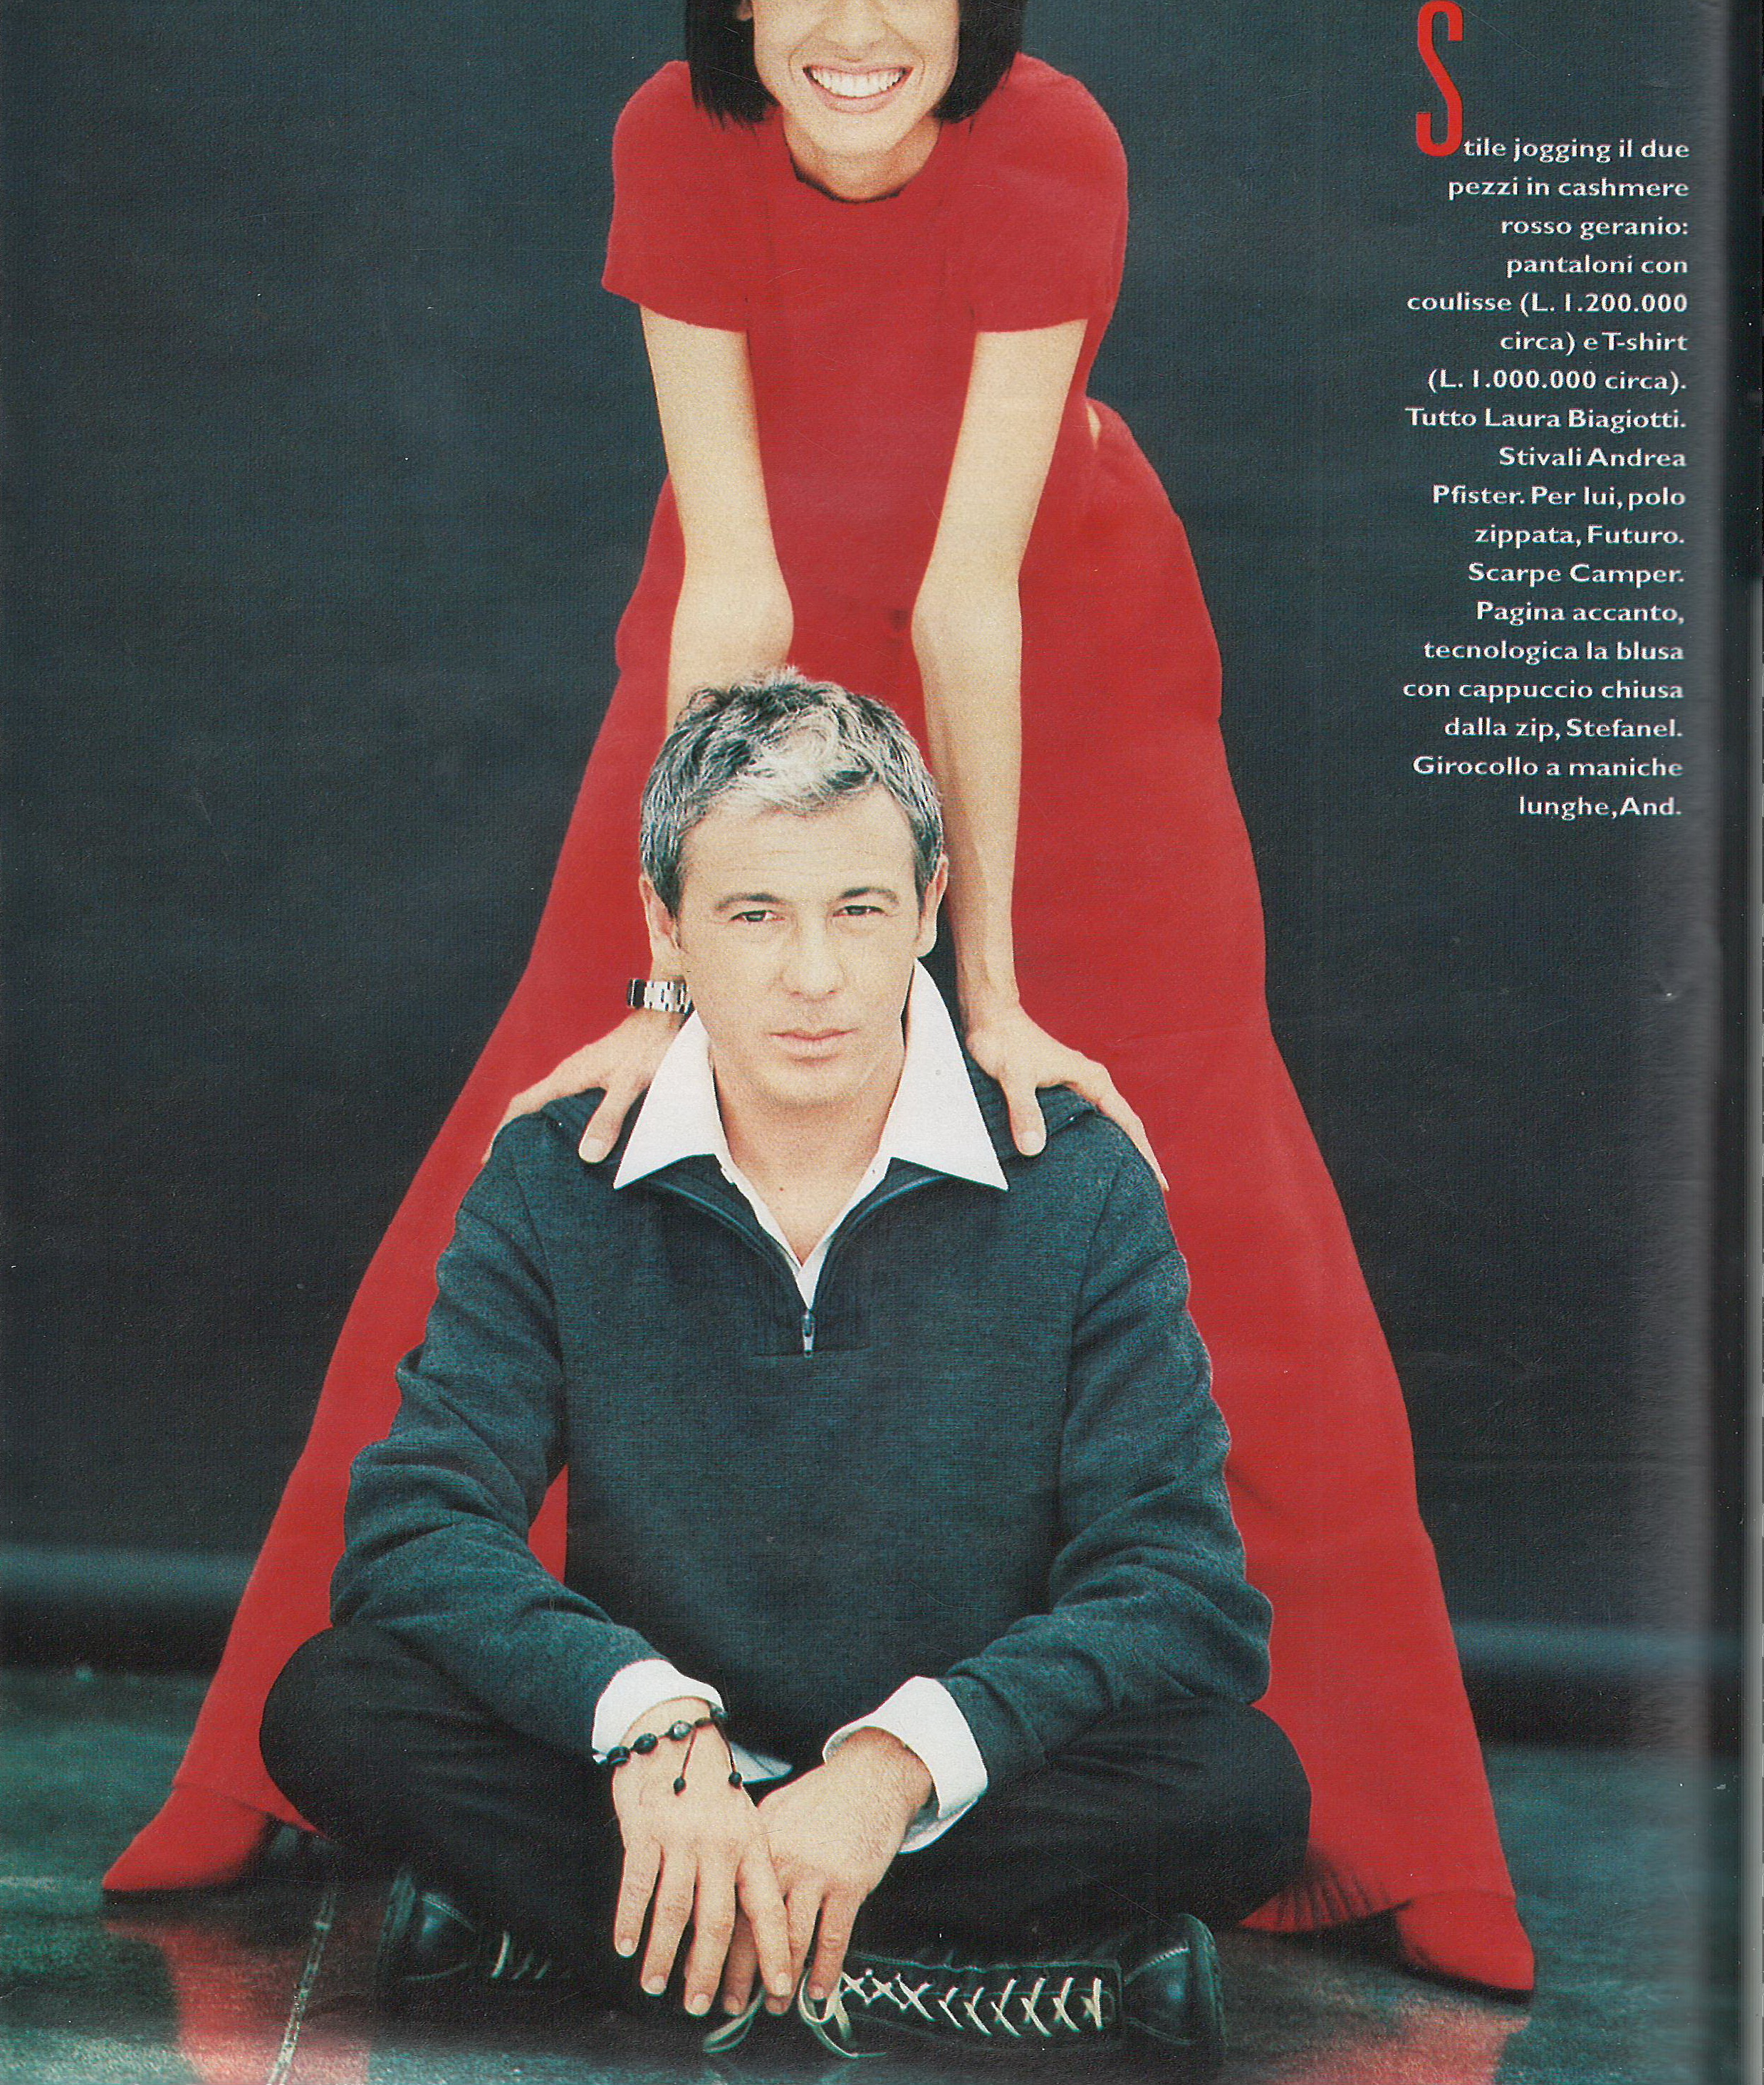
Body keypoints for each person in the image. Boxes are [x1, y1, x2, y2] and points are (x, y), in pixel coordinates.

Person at [108, 0, 1533, 1998]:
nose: (854, 27)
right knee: (556, 1126)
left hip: (1058, 656)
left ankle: (1385, 1830)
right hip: (746, 636)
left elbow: (970, 597)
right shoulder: (671, 140)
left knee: (1209, 1202)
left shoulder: (1049, 144)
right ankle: (371, 1787)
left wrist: (994, 989)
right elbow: (738, 582)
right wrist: (662, 980)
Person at [258, 675, 1309, 2072]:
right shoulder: (560, 1170)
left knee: (1241, 1788)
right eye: (755, 914)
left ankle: (599, 1940)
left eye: (858, 909)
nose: (815, 974)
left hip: (939, 1790)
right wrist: (645, 1721)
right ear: (667, 925)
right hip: (657, 1769)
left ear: (929, 909)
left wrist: (890, 1769)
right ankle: (930, 1970)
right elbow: (417, 1525)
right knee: (335, 1704)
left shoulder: (1075, 1176)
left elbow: (1181, 1590)